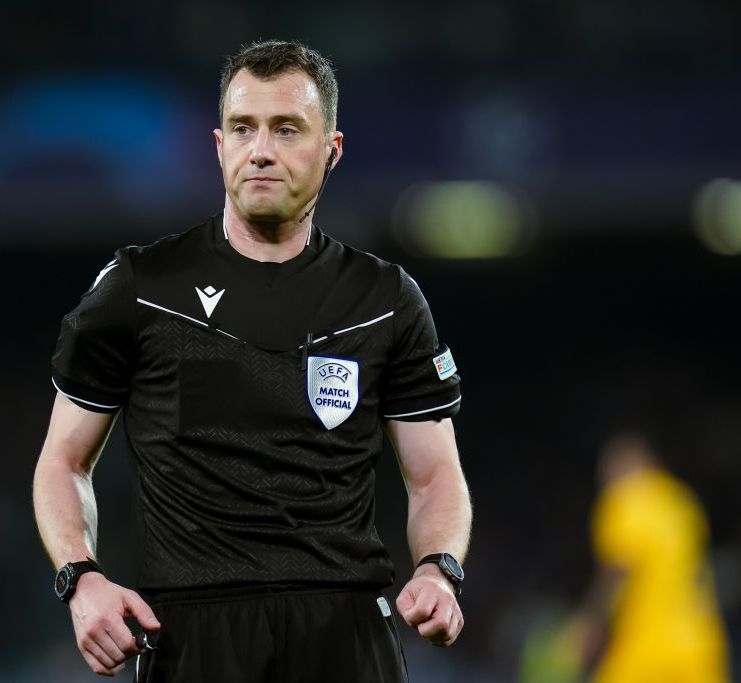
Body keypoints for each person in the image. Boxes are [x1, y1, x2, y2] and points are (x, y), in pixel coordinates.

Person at [32, 39, 472, 682]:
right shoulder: (140, 287)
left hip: (345, 632)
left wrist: (439, 568)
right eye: (244, 128)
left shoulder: (384, 300)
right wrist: (80, 577)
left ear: (331, 149)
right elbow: (62, 462)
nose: (261, 149)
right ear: (219, 146)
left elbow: (435, 477)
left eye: (287, 129)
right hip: (190, 635)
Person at [571, 432, 731, 683]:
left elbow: (618, 569)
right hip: (701, 640)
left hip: (648, 641)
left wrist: (590, 623)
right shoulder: (682, 501)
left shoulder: (626, 500)